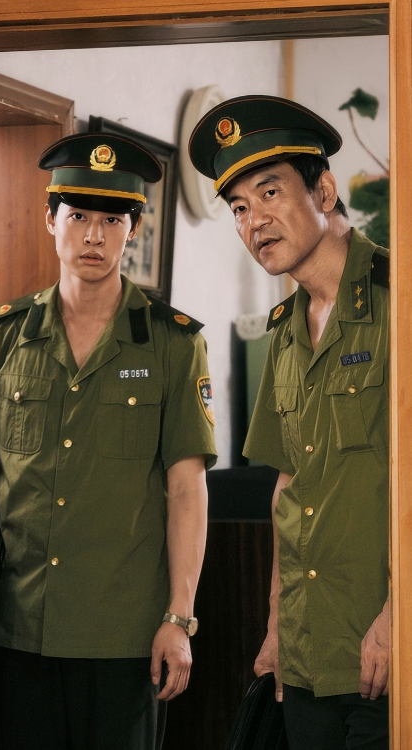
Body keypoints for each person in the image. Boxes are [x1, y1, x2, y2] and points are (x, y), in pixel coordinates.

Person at [0, 132, 217, 750]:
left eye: (112, 220)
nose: (94, 237)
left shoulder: (173, 344)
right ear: (50, 220)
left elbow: (187, 491)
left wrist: (180, 618)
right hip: (19, 629)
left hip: (125, 637)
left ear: (135, 229)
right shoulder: (0, 339)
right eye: (78, 216)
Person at [189, 95, 389, 750]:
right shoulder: (282, 333)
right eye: (238, 208)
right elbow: (287, 487)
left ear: (324, 191)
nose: (254, 221)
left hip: (387, 651)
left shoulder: (401, 301)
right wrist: (277, 624)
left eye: (270, 192)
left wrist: (401, 615)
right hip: (305, 653)